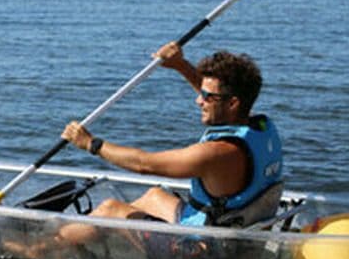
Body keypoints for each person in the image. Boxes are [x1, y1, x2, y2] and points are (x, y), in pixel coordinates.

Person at [53, 41, 284, 246]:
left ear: (233, 103)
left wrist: (91, 144)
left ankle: (41, 247)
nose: (198, 100)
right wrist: (180, 65)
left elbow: (145, 164)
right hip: (225, 229)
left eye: (206, 97)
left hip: (202, 250)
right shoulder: (261, 127)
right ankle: (86, 237)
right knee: (155, 196)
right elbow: (217, 100)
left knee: (111, 209)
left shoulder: (216, 154)